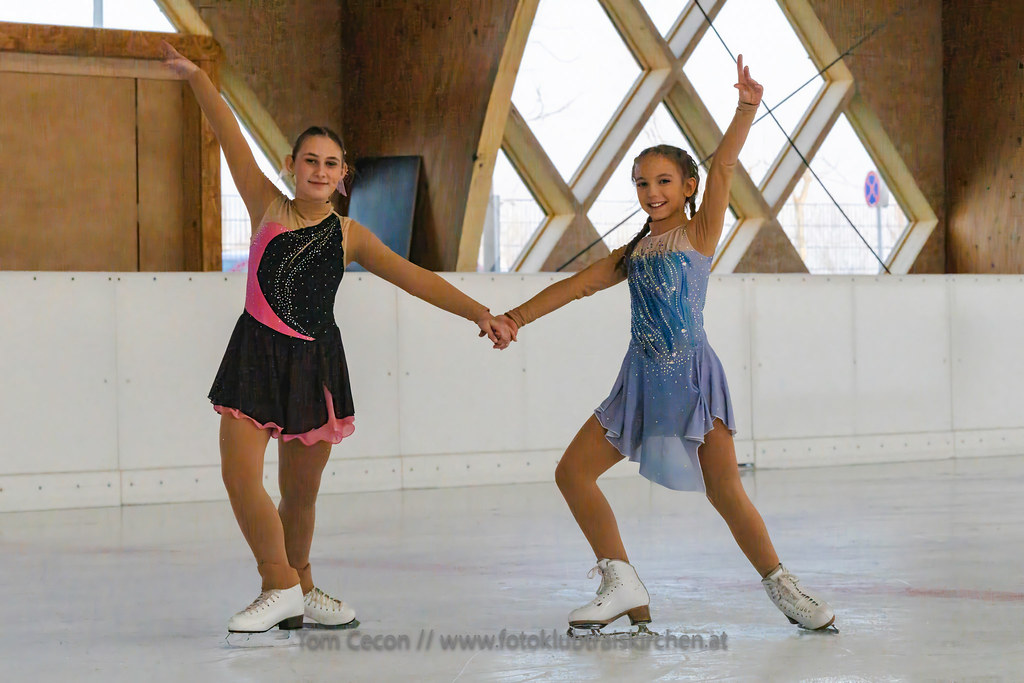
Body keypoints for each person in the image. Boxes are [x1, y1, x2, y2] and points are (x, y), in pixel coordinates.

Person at [160, 41, 514, 634]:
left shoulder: (351, 235)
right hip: (255, 355)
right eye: (310, 161)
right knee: (239, 475)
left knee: (299, 493)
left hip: (314, 364)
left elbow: (416, 277)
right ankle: (277, 583)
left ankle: (300, 584)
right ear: (291, 165)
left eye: (331, 164)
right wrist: (197, 76)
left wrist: (480, 313)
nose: (320, 171)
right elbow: (228, 134)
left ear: (343, 176)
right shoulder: (266, 205)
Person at [493, 56, 835, 633]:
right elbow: (577, 286)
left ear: (688, 187)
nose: (651, 192)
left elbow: (724, 164)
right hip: (639, 382)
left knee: (725, 492)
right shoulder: (632, 252)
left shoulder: (698, 233)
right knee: (572, 473)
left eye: (663, 181)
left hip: (692, 379)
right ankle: (622, 583)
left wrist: (746, 108)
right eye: (642, 183)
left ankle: (785, 588)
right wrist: (514, 318)